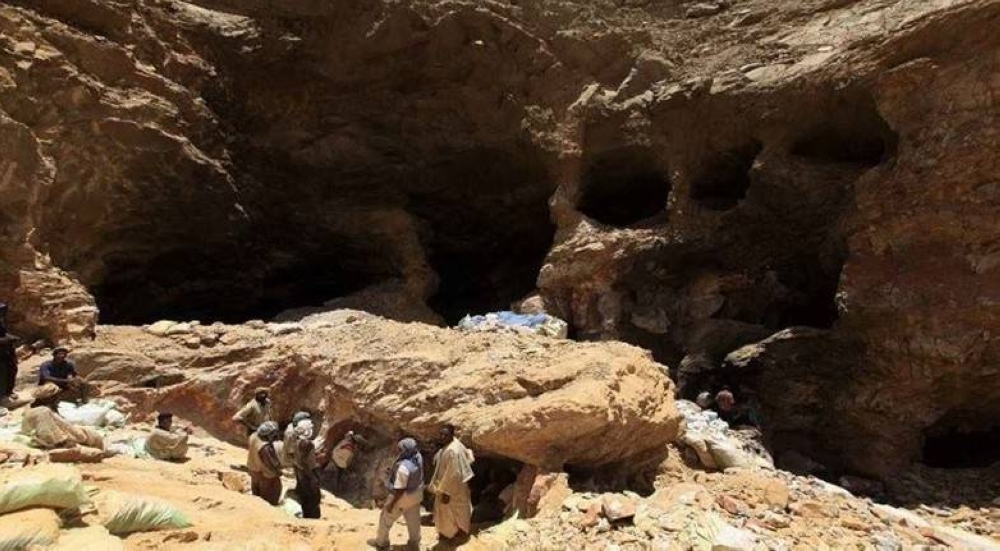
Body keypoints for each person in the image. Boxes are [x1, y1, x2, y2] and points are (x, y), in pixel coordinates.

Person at [370, 438, 424, 551]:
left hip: (403, 497)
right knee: (414, 521)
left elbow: (399, 490)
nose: (398, 450)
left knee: (385, 518)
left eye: (401, 449)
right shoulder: (418, 456)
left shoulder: (404, 468)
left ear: (406, 450)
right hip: (416, 494)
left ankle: (381, 543)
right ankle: (414, 544)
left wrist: (391, 504)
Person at [429, 424, 475, 542]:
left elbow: (453, 473)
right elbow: (468, 456)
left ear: (451, 435)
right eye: (441, 434)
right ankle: (453, 533)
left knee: (450, 512)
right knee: (459, 510)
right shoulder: (456, 444)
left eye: (445, 435)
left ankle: (452, 535)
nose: (442, 437)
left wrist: (446, 492)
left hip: (451, 488)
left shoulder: (452, 450)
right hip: (457, 486)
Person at [247, 421, 283, 505]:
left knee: (256, 497)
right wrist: (278, 472)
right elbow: (270, 464)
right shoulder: (265, 447)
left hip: (253, 470)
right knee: (269, 500)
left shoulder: (253, 435)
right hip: (265, 476)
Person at [291, 420, 322, 519]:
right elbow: (304, 461)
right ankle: (312, 519)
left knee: (305, 497)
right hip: (307, 473)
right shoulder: (308, 443)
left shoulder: (297, 441)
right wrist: (312, 477)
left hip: (301, 472)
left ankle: (306, 516)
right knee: (313, 498)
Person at [0, 303, 21, 404]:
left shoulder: (2, 321)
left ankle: (9, 391)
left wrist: (10, 337)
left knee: (12, 370)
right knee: (2, 373)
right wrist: (7, 339)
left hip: (8, 351)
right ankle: (2, 395)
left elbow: (3, 333)